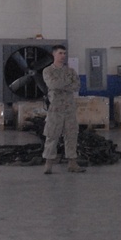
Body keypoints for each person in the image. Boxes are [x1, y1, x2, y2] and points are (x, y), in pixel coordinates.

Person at [41, 44, 85, 174]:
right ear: (54, 54)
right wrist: (66, 83)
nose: (63, 56)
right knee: (52, 135)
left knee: (71, 135)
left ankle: (72, 163)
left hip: (69, 108)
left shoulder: (70, 71)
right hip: (55, 108)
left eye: (64, 54)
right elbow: (53, 84)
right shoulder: (48, 71)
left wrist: (61, 85)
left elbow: (76, 86)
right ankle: (48, 164)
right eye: (60, 53)